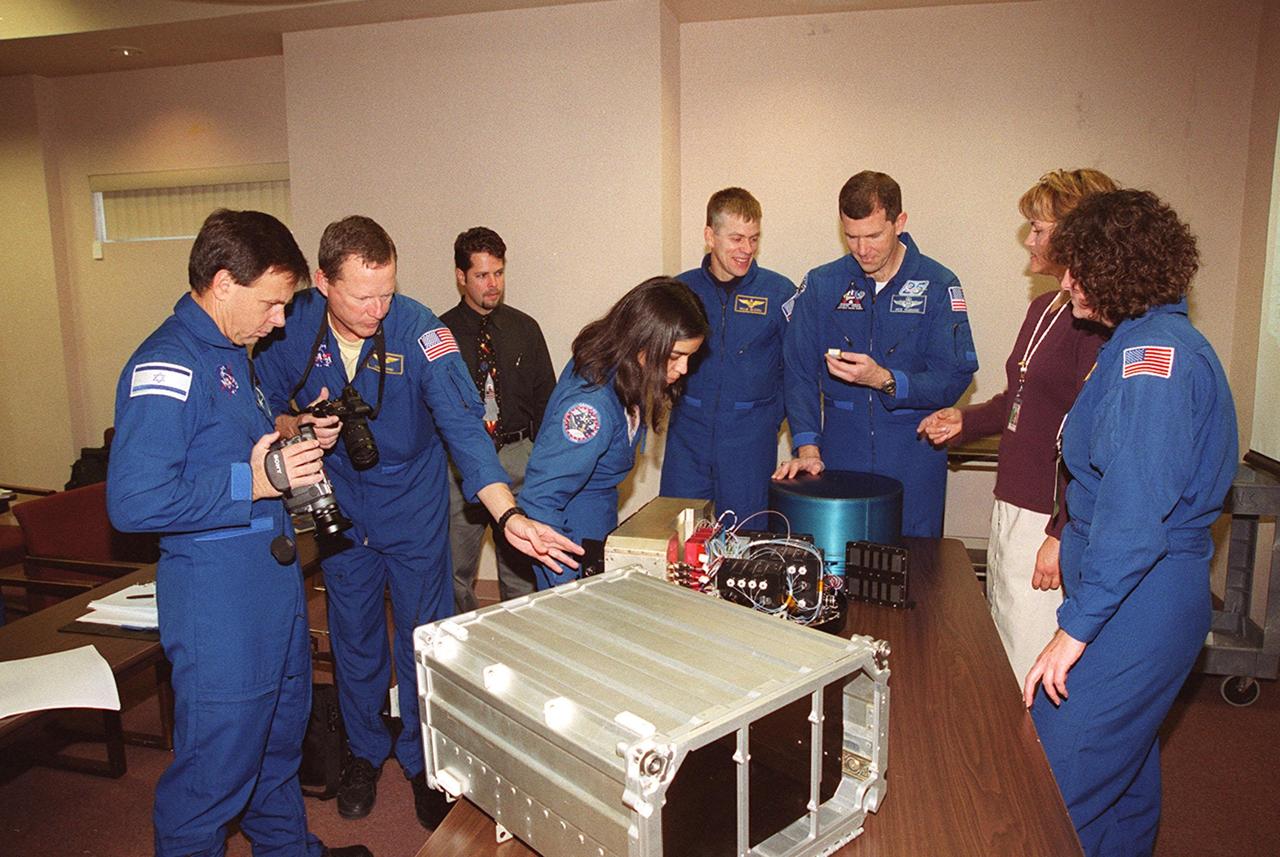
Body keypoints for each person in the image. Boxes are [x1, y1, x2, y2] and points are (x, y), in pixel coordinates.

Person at [253, 216, 579, 829]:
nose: (378, 308)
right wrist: (299, 427)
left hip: (413, 499)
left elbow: (464, 429)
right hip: (341, 501)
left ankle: (424, 758)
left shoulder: (422, 331)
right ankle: (364, 750)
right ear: (323, 281)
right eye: (361, 295)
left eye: (387, 291)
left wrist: (505, 510)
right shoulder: (290, 323)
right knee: (351, 632)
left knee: (423, 633)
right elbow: (262, 403)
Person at [106, 209, 371, 857]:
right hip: (220, 605)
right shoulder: (167, 363)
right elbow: (134, 500)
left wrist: (290, 433)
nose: (279, 320)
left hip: (271, 590)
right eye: (272, 303)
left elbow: (226, 450)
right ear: (223, 283)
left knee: (276, 750)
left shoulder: (231, 353)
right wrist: (253, 483)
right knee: (213, 776)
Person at [1022, 189, 1237, 856]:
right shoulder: (1142, 341)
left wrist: (1074, 629)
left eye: (1075, 268)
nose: (1064, 282)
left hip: (1138, 599)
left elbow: (1136, 514)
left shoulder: (1155, 361)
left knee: (1046, 783)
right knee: (1123, 780)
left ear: (1114, 269)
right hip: (1137, 591)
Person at [917, 169, 1115, 682]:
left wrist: (1060, 531)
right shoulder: (1044, 308)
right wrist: (965, 419)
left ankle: (1035, 760)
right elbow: (1019, 400)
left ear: (1077, 235)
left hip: (1047, 518)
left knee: (1032, 656)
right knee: (1004, 640)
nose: (1029, 239)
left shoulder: (1093, 322)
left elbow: (1089, 436)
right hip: (1012, 503)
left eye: (1039, 228)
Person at [774, 171, 978, 537]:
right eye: (851, 236)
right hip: (839, 452)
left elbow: (953, 378)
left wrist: (885, 380)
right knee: (837, 569)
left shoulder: (938, 283)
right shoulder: (823, 284)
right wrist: (807, 447)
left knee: (914, 572)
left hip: (913, 452)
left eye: (873, 236)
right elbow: (799, 371)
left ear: (899, 222)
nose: (862, 249)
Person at [520, 277, 708, 589]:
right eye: (675, 356)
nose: (684, 369)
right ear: (642, 342)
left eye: (690, 356)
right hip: (566, 540)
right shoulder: (590, 406)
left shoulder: (624, 369)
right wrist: (568, 586)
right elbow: (540, 500)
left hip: (593, 527)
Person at [659, 188, 799, 521]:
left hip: (750, 444)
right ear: (710, 236)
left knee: (746, 542)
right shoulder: (679, 291)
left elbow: (798, 371)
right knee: (680, 538)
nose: (746, 249)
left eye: (754, 239)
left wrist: (769, 419)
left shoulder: (780, 293)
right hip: (687, 440)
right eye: (736, 239)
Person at [441, 228, 556, 611]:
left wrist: (539, 462)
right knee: (454, 570)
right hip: (460, 468)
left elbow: (546, 402)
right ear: (461, 276)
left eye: (499, 273)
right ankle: (463, 651)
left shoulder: (525, 329)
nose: (493, 285)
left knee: (521, 569)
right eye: (482, 275)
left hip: (518, 457)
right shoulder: (439, 334)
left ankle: (517, 646)